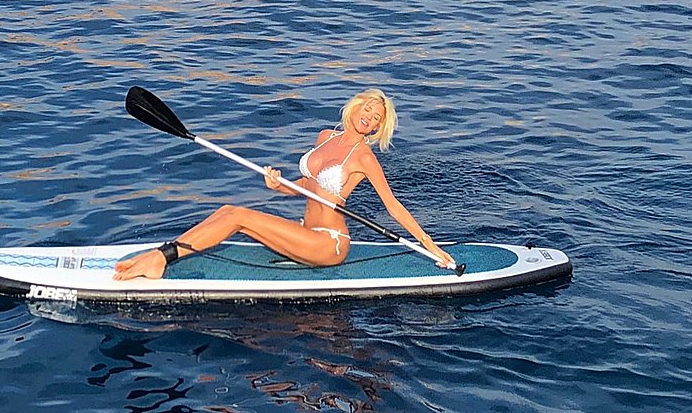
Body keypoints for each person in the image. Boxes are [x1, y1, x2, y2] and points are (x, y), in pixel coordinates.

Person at [113, 88, 456, 280]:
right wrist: (278, 185)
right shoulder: (325, 136)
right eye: (367, 108)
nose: (369, 116)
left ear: (379, 128)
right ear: (355, 106)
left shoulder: (364, 157)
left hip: (329, 243)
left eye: (376, 117)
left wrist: (431, 247)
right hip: (305, 230)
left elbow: (392, 206)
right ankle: (161, 255)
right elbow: (307, 185)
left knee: (238, 217)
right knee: (228, 211)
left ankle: (161, 259)